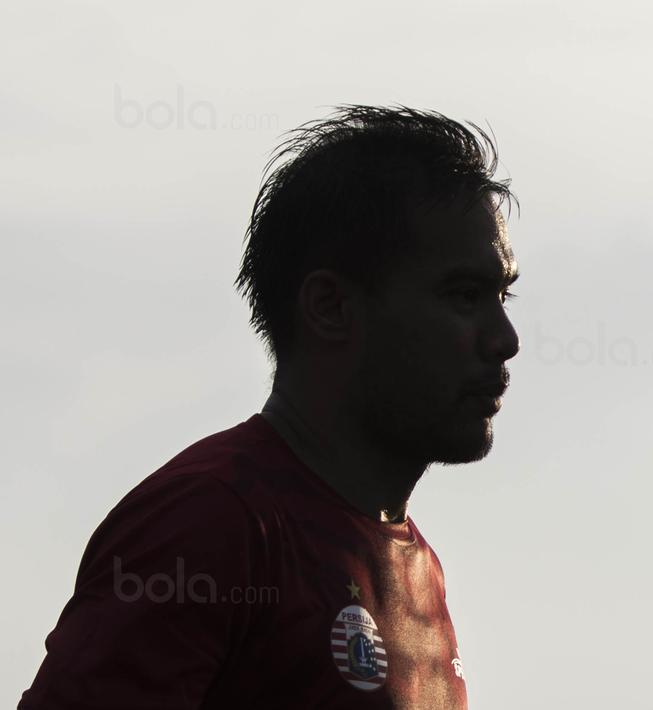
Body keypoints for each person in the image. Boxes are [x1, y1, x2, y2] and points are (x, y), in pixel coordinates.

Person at [20, 105, 520, 709]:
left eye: (502, 294)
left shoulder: (419, 568)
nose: (505, 338)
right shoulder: (212, 522)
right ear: (330, 307)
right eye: (464, 295)